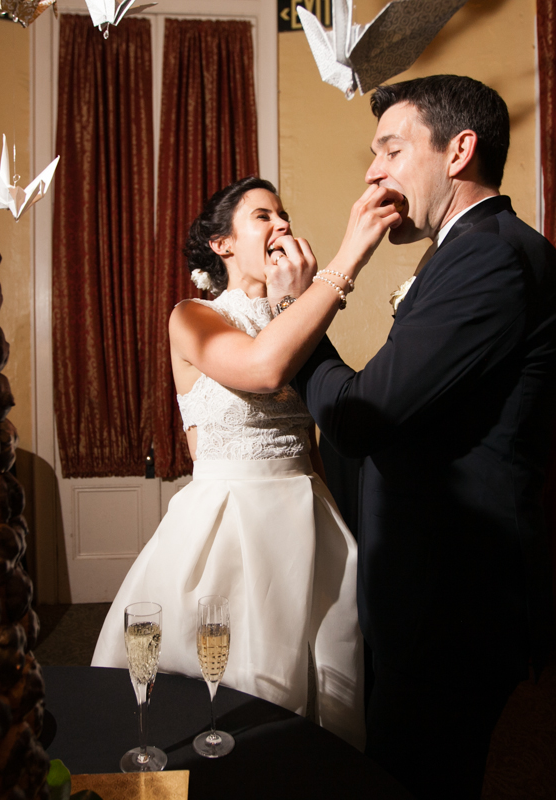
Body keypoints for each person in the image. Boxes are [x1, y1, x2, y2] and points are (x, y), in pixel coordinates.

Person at [281, 75, 556, 798]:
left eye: (390, 148)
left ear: (458, 151)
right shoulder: (463, 250)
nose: (373, 172)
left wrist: (299, 313)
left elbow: (361, 415)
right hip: (431, 587)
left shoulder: (489, 255)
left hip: (455, 601)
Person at [89, 176, 398, 750]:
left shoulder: (295, 317)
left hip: (307, 521)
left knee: (318, 693)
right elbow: (262, 369)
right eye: (263, 216)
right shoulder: (193, 316)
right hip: (227, 527)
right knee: (220, 697)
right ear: (221, 243)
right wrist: (347, 259)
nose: (281, 225)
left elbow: (311, 436)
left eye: (283, 215)